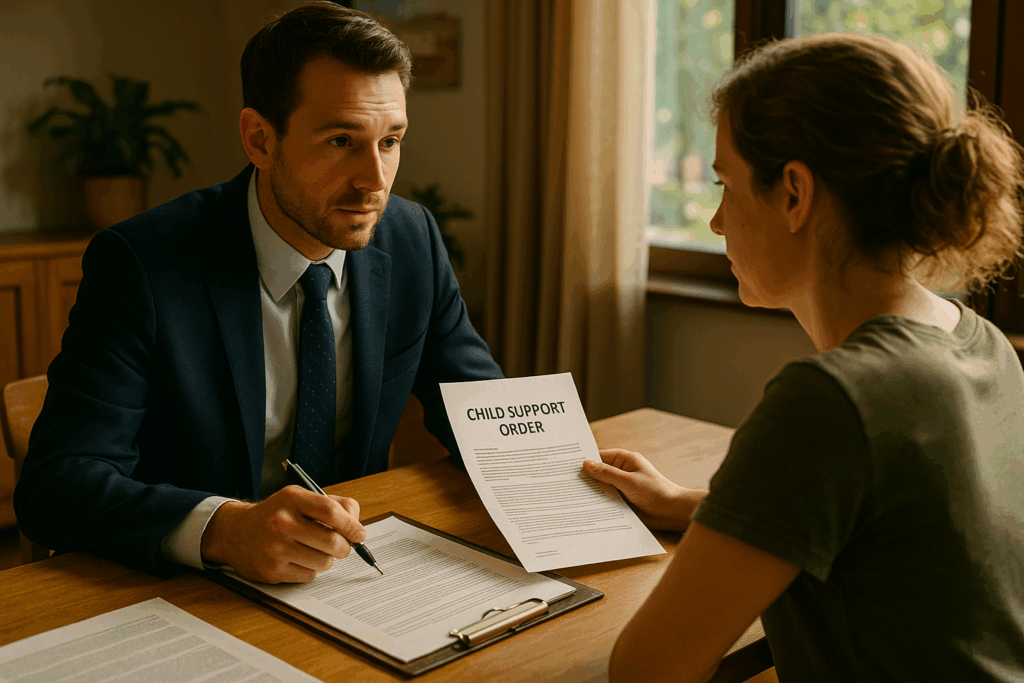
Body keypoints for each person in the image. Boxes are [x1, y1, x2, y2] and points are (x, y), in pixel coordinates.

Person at [584, 33, 1024, 682]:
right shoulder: (977, 341)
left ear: (794, 193)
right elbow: (882, 526)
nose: (714, 222)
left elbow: (647, 669)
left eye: (724, 185)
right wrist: (690, 503)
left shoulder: (832, 398)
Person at [14, 2, 502, 583]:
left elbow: (487, 412)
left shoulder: (412, 238)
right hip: (192, 591)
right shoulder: (142, 264)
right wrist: (226, 529)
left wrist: (596, 487)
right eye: (342, 140)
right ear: (259, 139)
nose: (375, 180)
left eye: (390, 140)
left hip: (352, 578)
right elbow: (57, 483)